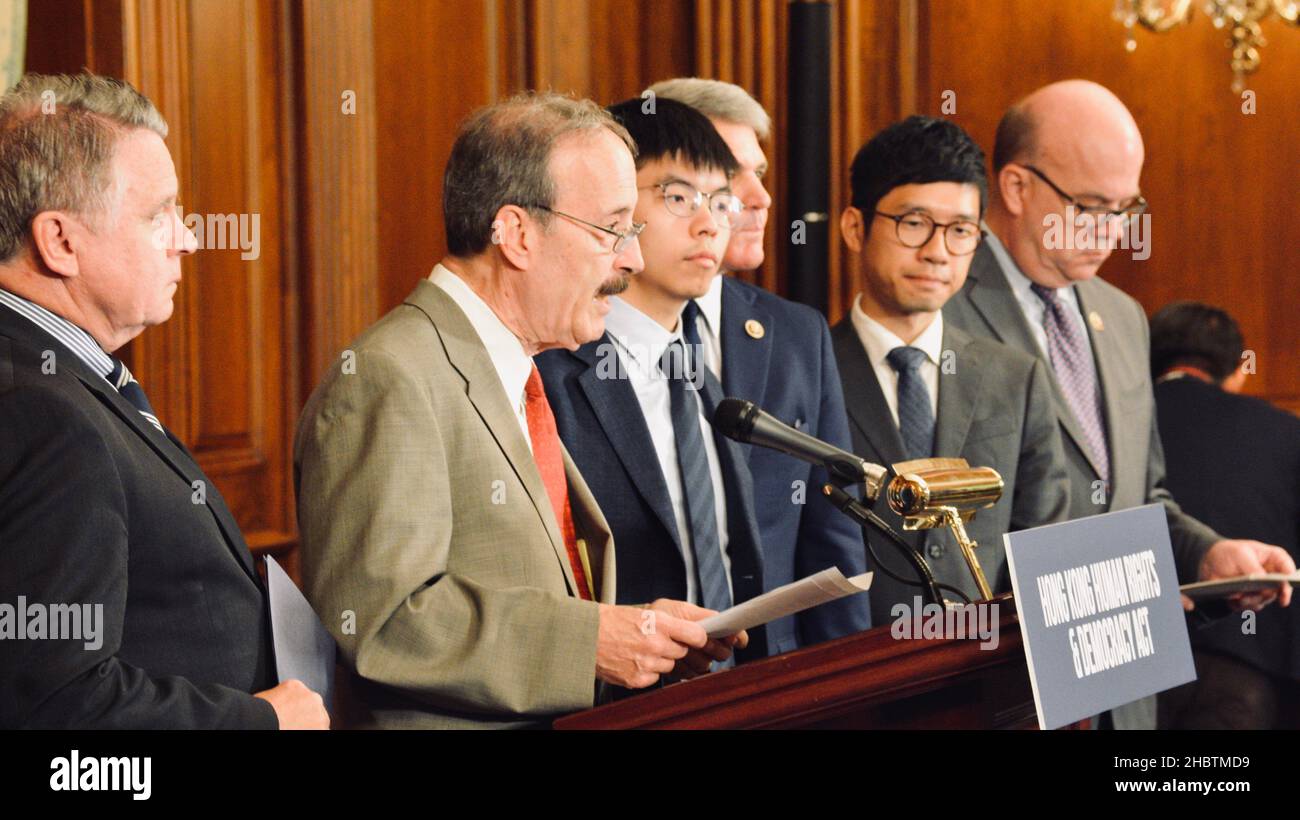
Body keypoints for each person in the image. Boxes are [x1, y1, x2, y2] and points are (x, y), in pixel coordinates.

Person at [294, 93, 743, 728]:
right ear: (517, 234)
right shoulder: (388, 375)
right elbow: (381, 619)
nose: (631, 260)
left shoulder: (512, 366)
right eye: (612, 229)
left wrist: (640, 633)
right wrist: (592, 642)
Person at [942, 79, 1295, 728]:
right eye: (1091, 206)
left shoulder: (1125, 316)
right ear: (1018, 188)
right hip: (1009, 690)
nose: (1113, 233)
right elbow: (941, 535)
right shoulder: (943, 308)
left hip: (1126, 693)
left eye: (1126, 209)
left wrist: (1207, 554)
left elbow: (1141, 495)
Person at [0, 73, 326, 729]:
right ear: (60, 241)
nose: (190, 238)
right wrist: (263, 723)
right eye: (159, 216)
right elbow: (59, 707)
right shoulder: (44, 411)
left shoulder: (60, 374)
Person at [539, 98, 769, 666]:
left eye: (720, 202)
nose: (709, 222)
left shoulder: (701, 369)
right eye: (677, 197)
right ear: (615, 208)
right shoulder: (549, 370)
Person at [646, 77, 871, 652]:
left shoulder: (798, 332)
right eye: (724, 176)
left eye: (757, 175)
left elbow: (833, 539)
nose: (757, 198)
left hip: (778, 685)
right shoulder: (582, 339)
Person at [831, 115, 1070, 621]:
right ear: (856, 227)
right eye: (913, 223)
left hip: (985, 671)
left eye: (960, 230)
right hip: (853, 679)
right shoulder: (809, 370)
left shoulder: (1017, 378)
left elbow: (1044, 549)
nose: (937, 252)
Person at [1149, 301, 1300, 729]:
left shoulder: (1116, 425)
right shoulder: (1286, 431)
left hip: (1133, 662)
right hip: (1249, 666)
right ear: (1237, 371)